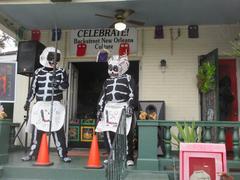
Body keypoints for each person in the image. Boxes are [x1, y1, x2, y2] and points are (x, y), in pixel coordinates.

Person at [21, 47, 71, 163]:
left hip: (55, 105)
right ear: (45, 57)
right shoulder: (38, 72)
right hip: (41, 105)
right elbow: (33, 88)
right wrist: (28, 101)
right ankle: (33, 153)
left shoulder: (61, 71)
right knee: (37, 130)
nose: (54, 61)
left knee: (58, 130)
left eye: (56, 59)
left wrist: (58, 84)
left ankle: (63, 154)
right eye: (51, 58)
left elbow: (65, 85)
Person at [96, 54, 136, 166]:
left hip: (123, 107)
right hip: (109, 108)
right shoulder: (107, 81)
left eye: (115, 68)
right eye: (110, 68)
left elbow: (132, 94)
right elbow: (102, 96)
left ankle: (129, 157)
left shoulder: (128, 78)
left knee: (126, 132)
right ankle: (111, 156)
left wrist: (131, 106)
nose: (112, 71)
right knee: (108, 132)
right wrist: (99, 109)